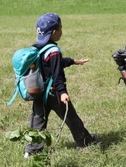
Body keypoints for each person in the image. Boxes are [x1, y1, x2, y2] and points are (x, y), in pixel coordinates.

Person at [24, 13, 97, 157]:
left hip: (39, 91)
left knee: (37, 120)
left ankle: (31, 151)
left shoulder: (38, 48)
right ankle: (85, 141)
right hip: (55, 93)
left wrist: (73, 61)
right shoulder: (54, 51)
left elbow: (53, 65)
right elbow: (57, 73)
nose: (61, 31)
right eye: (61, 28)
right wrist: (62, 91)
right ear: (55, 32)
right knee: (71, 118)